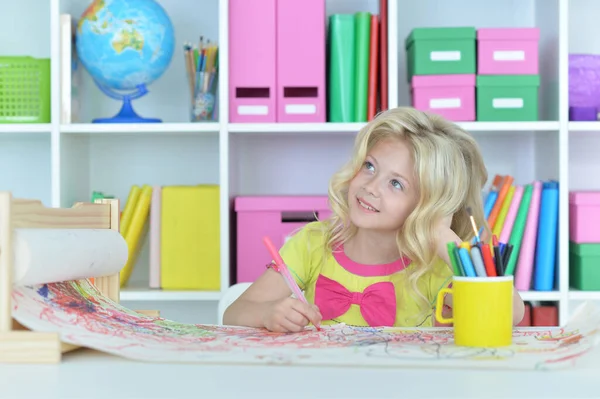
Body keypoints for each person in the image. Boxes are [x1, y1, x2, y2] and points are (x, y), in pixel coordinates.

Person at [223, 107, 525, 332]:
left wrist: (443, 237)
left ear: (426, 204)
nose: (370, 186)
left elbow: (510, 311)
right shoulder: (312, 244)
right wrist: (267, 315)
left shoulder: (433, 266)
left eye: (396, 184)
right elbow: (235, 312)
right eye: (369, 166)